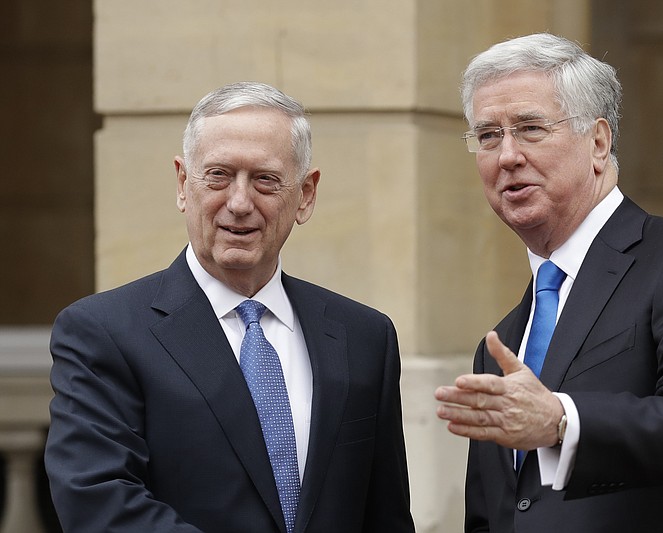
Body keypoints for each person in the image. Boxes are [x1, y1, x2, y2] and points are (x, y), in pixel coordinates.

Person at [434, 33, 663, 532]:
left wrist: (559, 421)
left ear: (598, 142)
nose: (506, 155)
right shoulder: (502, 343)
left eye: (530, 128)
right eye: (488, 135)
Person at [45, 81, 416, 533]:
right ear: (184, 184)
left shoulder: (364, 336)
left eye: (265, 180)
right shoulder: (104, 332)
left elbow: (386, 516)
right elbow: (99, 503)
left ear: (305, 195)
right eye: (218, 176)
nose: (239, 203)